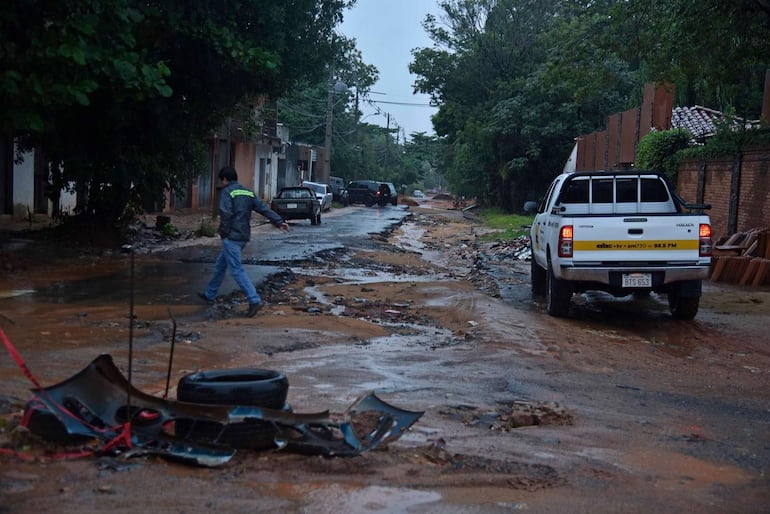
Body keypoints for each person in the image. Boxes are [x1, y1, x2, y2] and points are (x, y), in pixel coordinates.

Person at [199, 165, 290, 317]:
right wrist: (279, 221)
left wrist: (224, 233)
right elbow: (263, 208)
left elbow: (225, 213)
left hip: (232, 237)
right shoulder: (247, 191)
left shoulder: (227, 192)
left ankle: (254, 300)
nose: (222, 183)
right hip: (243, 236)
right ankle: (210, 294)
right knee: (221, 265)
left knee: (236, 269)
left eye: (222, 180)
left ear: (225, 179)